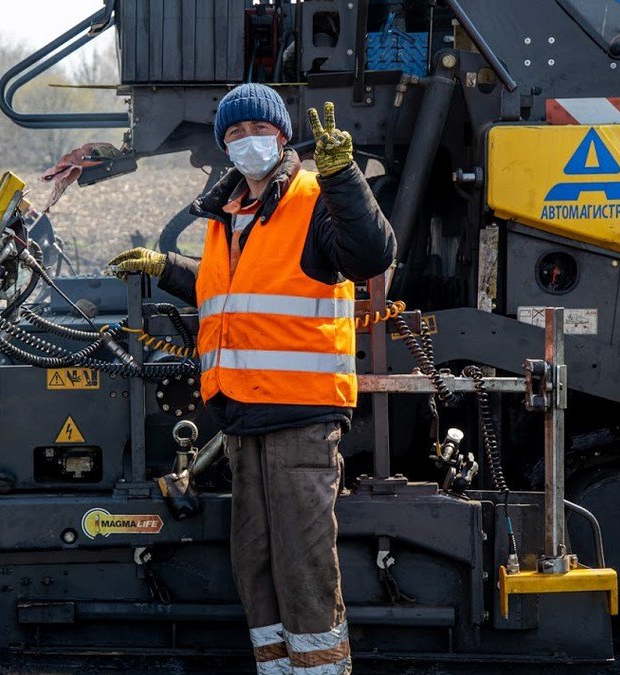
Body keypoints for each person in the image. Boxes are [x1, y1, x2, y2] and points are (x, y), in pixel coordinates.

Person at [109, 84, 395, 675]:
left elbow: (370, 255)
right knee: (256, 558)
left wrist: (344, 178)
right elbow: (230, 298)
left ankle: (320, 670)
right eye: (234, 135)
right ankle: (277, 667)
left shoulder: (316, 197)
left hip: (301, 413)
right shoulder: (228, 216)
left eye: (256, 132)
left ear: (282, 136)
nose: (247, 143)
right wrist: (167, 269)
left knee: (302, 558)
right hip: (242, 413)